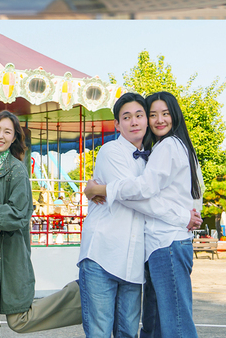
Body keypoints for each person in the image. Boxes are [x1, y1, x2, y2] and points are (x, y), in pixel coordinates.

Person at [85, 91, 204, 338]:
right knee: (146, 326)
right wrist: (184, 216)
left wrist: (103, 189)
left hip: (150, 252)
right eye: (128, 117)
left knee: (168, 324)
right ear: (117, 124)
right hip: (105, 254)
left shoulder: (164, 148)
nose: (137, 121)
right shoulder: (113, 152)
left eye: (141, 115)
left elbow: (144, 194)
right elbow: (139, 199)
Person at [0, 107, 81, 337]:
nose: (1, 136)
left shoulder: (16, 170)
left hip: (8, 253)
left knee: (18, 320)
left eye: (7, 132)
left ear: (14, 138)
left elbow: (21, 213)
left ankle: (79, 296)